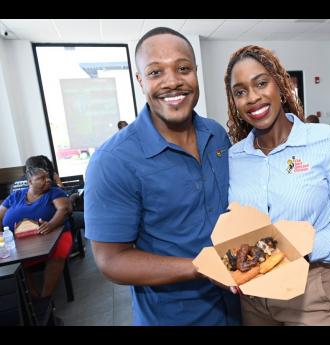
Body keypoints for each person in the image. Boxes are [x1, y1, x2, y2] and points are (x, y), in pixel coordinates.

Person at [83, 27, 240, 326]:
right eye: (156, 72)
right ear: (140, 80)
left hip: (239, 307)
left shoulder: (217, 135)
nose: (172, 81)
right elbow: (111, 261)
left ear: (196, 72)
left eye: (183, 68)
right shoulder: (113, 161)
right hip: (174, 316)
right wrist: (201, 266)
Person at [225, 45, 330, 326]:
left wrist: (296, 247)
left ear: (281, 84)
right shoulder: (235, 157)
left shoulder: (328, 142)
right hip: (252, 297)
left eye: (261, 83)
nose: (252, 98)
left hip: (310, 292)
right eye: (240, 91)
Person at [0, 166, 73, 299]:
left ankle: (46, 297)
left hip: (56, 235)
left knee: (58, 254)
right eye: (42, 178)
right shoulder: (15, 196)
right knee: (15, 262)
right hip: (19, 241)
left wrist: (51, 225)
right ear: (30, 182)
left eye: (47, 177)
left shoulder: (54, 192)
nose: (48, 180)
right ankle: (33, 299)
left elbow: (63, 210)